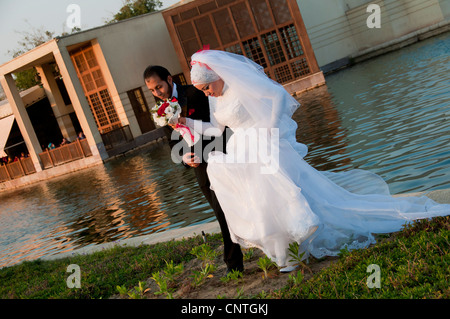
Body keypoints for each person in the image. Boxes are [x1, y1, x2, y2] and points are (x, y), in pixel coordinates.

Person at [171, 49, 450, 273]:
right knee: (260, 201)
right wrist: (185, 122)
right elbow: (216, 130)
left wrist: (269, 129)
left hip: (264, 146)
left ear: (219, 75)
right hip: (242, 149)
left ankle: (292, 253)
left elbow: (278, 95)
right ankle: (288, 255)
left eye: (207, 87)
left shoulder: (243, 86)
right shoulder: (217, 99)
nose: (207, 93)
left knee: (279, 196)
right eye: (203, 90)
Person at [143, 65, 244, 274]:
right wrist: (184, 158)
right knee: (220, 212)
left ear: (170, 80)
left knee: (227, 208)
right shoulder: (160, 110)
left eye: (159, 87)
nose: (157, 93)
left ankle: (234, 263)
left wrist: (206, 152)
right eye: (152, 91)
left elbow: (218, 128)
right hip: (198, 167)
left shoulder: (197, 92)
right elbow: (173, 143)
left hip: (219, 156)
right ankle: (237, 257)